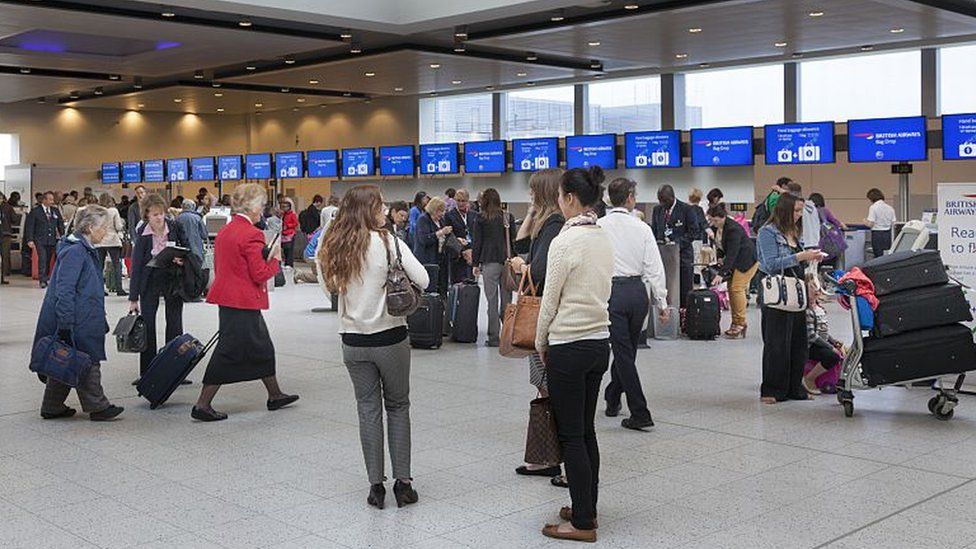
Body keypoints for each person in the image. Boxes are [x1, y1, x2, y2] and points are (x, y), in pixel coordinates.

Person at [319, 184, 429, 510]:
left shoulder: (335, 246)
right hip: (390, 338)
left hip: (352, 341)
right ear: (368, 210)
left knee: (367, 411)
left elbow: (328, 287)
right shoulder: (389, 242)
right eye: (380, 206)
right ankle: (404, 485)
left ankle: (375, 488)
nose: (384, 211)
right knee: (398, 407)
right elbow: (422, 279)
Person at [535, 167, 613, 543]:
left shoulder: (565, 242)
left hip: (569, 345)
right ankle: (587, 507)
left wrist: (539, 341)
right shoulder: (602, 236)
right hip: (600, 343)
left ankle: (582, 524)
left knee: (571, 438)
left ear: (568, 198)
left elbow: (550, 301)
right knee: (586, 431)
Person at [191, 184, 298, 421]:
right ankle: (202, 405)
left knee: (262, 347)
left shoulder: (227, 230)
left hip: (228, 297)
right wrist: (275, 259)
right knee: (228, 351)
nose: (262, 209)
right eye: (260, 204)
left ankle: (275, 394)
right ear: (250, 207)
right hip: (243, 300)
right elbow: (260, 274)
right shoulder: (252, 234)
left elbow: (227, 265)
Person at [33, 205, 124, 421]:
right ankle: (98, 407)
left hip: (84, 315)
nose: (105, 232)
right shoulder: (75, 251)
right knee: (88, 359)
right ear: (90, 228)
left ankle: (52, 406)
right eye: (103, 227)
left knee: (67, 358)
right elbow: (64, 290)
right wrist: (66, 322)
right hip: (77, 318)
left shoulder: (83, 248)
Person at [597, 178, 669, 431]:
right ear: (629, 198)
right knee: (627, 352)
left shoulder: (598, 226)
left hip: (611, 292)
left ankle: (636, 410)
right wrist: (662, 301)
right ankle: (615, 398)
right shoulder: (642, 228)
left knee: (623, 352)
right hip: (638, 292)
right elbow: (654, 267)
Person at [510, 168, 566, 485]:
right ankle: (547, 455)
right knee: (542, 386)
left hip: (542, 317)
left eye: (533, 192)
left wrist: (523, 267)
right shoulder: (545, 223)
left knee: (547, 388)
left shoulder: (554, 225)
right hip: (542, 315)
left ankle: (549, 456)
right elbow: (519, 245)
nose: (529, 196)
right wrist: (531, 214)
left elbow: (540, 268)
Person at [756, 192, 823, 404]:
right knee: (777, 343)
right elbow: (770, 264)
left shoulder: (795, 233)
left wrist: (811, 278)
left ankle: (795, 387)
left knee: (798, 342)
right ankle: (772, 389)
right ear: (784, 210)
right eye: (795, 211)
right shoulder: (767, 233)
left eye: (801, 211)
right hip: (777, 293)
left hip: (797, 292)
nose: (798, 215)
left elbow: (799, 265)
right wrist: (800, 256)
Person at [128, 194, 188, 381]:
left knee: (175, 324)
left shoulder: (175, 227)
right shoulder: (143, 234)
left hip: (172, 278)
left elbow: (188, 249)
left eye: (161, 213)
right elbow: (137, 266)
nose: (159, 218)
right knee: (148, 325)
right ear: (146, 215)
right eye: (154, 215)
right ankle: (147, 371)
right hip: (150, 280)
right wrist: (133, 297)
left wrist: (181, 258)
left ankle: (175, 368)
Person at [471, 188, 515, 348]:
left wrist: (475, 264)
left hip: (489, 262)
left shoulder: (480, 218)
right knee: (507, 301)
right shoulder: (507, 217)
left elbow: (477, 243)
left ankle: (494, 337)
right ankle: (509, 335)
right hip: (506, 262)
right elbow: (512, 241)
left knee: (491, 301)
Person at [706, 203, 758, 338]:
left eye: (715, 220)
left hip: (747, 261)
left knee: (736, 288)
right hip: (736, 262)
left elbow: (733, 253)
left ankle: (740, 323)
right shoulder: (717, 228)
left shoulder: (733, 229)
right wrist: (720, 258)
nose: (713, 223)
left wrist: (721, 274)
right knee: (731, 289)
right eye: (711, 220)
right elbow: (720, 247)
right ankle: (735, 322)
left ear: (723, 217)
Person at [651, 185, 698, 308]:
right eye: (660, 200)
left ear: (672, 197)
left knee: (684, 290)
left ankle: (684, 318)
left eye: (665, 200)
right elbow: (655, 231)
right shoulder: (657, 210)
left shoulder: (686, 209)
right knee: (665, 290)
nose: (662, 203)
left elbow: (694, 232)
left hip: (682, 257)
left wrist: (676, 243)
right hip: (663, 257)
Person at [803, 277, 844, 395]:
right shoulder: (807, 311)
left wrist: (833, 341)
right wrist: (830, 347)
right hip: (811, 346)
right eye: (811, 287)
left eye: (817, 286)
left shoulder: (820, 309)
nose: (816, 290)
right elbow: (811, 336)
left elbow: (823, 332)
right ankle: (809, 378)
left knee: (844, 350)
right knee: (832, 356)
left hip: (821, 343)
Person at [412, 196, 452, 294]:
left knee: (443, 288)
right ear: (433, 209)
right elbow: (424, 239)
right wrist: (441, 232)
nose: (442, 214)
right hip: (427, 260)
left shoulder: (441, 221)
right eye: (440, 211)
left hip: (440, 260)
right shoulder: (423, 219)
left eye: (443, 211)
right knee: (430, 289)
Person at [25, 191, 65, 289]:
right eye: (50, 199)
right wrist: (30, 239)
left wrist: (64, 236)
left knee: (48, 259)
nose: (52, 201)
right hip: (40, 239)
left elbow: (60, 224)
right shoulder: (35, 211)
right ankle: (42, 280)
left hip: (51, 239)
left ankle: (46, 276)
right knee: (42, 259)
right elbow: (29, 226)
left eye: (52, 199)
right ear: (44, 200)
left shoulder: (55, 211)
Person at [94, 194, 127, 297]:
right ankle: (119, 289)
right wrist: (122, 225)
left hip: (100, 241)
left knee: (99, 266)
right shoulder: (113, 211)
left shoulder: (97, 212)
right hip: (112, 240)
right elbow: (118, 226)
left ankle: (100, 289)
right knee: (116, 265)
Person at [443, 189, 477, 282]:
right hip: (457, 253)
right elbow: (448, 236)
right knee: (457, 283)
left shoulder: (474, 215)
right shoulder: (449, 215)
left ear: (467, 201)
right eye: (458, 200)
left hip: (471, 252)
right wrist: (458, 241)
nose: (461, 203)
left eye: (463, 201)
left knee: (471, 282)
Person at [808, 192, 847, 265]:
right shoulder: (824, 211)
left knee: (816, 262)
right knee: (835, 260)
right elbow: (835, 221)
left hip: (814, 242)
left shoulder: (808, 212)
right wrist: (842, 226)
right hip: (827, 243)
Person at [175, 199, 209, 265]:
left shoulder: (177, 218)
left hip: (182, 251)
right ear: (193, 207)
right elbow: (204, 235)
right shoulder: (197, 218)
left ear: (182, 207)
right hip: (197, 251)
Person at [865, 188, 895, 258]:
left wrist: (865, 222)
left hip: (877, 234)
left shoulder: (873, 207)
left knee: (878, 255)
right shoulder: (890, 208)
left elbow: (870, 224)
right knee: (887, 256)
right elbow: (893, 223)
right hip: (888, 234)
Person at [0, 191, 18, 285]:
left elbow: (14, 219)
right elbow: (14, 219)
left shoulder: (7, 207)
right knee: (5, 255)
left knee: (5, 256)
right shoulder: (8, 207)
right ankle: (2, 277)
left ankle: (2, 277)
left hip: (5, 233)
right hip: (5, 233)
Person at [279, 198, 299, 268]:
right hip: (284, 234)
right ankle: (286, 262)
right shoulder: (284, 215)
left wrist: (288, 226)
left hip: (290, 234)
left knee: (289, 249)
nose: (284, 208)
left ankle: (289, 263)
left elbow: (296, 223)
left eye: (285, 207)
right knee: (285, 249)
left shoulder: (292, 214)